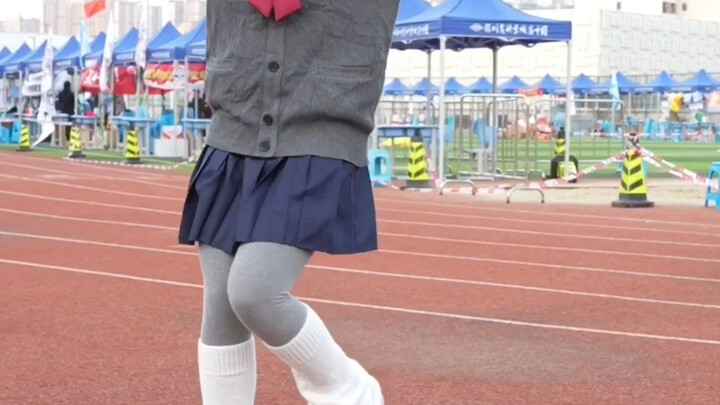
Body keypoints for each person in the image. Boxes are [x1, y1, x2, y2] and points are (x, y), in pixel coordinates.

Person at [178, 1, 400, 404]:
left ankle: (347, 389)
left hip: (319, 129)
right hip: (233, 127)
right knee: (220, 305)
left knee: (255, 292)